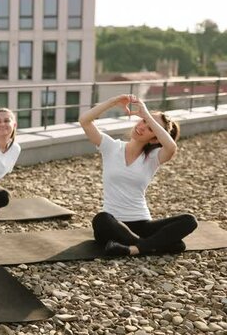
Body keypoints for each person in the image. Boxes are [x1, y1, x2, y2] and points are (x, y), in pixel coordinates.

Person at [79, 94, 197, 256]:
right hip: (113, 223)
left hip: (142, 225)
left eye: (150, 127)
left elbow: (171, 147)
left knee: (189, 220)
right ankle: (153, 245)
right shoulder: (111, 147)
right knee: (101, 219)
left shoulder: (154, 157)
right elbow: (84, 120)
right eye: (142, 121)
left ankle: (133, 249)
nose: (142, 126)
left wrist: (147, 115)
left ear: (155, 139)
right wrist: (113, 101)